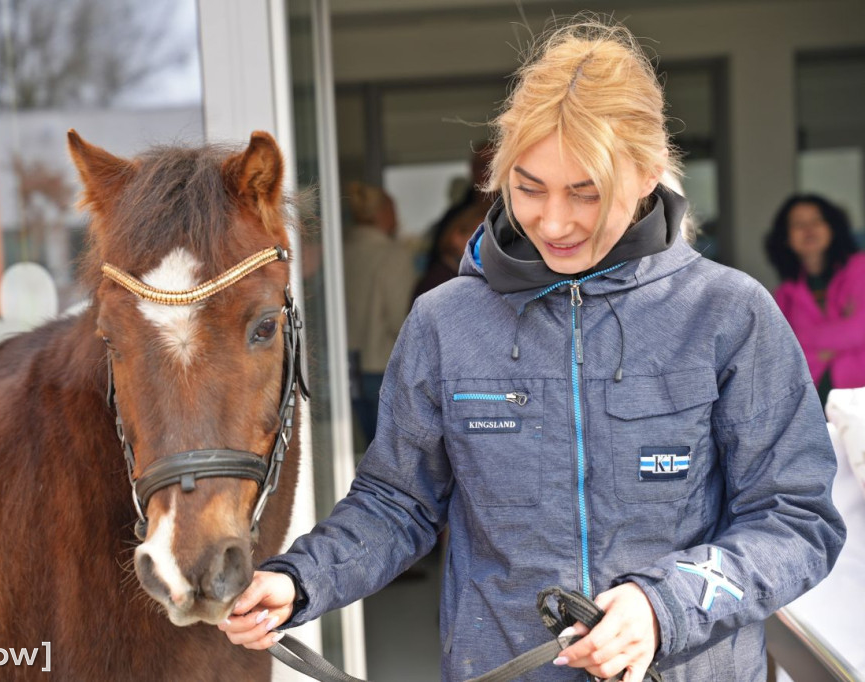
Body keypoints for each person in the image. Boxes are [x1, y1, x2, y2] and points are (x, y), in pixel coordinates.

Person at [222, 18, 845, 682]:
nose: (553, 221)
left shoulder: (729, 314)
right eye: (528, 187)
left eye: (585, 192)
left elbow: (795, 520)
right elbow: (398, 503)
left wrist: (664, 608)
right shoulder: (445, 324)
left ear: (647, 174)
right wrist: (300, 580)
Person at [766, 194, 865, 406]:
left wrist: (809, 344)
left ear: (832, 227)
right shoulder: (784, 294)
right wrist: (842, 340)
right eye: (798, 224)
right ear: (786, 237)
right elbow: (782, 354)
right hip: (813, 404)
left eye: (816, 220)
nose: (808, 229)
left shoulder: (861, 267)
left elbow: (860, 329)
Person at [342, 182, 417, 444]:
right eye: (394, 210)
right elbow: (401, 319)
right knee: (390, 457)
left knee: (354, 452)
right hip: (381, 366)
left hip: (343, 368)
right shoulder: (392, 255)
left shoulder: (339, 254)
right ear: (382, 214)